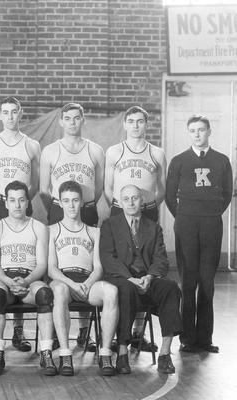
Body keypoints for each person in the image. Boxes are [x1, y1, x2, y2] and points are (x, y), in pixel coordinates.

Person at [39, 102, 105, 351]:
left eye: (77, 118)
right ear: (61, 121)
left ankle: (84, 333)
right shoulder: (50, 151)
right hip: (59, 208)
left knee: (85, 266)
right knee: (56, 267)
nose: (72, 123)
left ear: (83, 120)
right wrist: (59, 207)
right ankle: (57, 332)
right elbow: (44, 189)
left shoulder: (95, 150)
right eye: (67, 118)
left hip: (86, 208)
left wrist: (84, 204)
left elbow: (98, 189)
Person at [165, 115, 233, 354]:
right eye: (192, 130)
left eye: (201, 130)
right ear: (188, 133)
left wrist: (211, 214)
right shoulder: (179, 161)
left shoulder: (222, 160)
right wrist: (183, 217)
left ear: (209, 132)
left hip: (211, 224)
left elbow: (227, 193)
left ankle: (204, 339)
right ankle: (187, 338)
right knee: (188, 282)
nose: (197, 134)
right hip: (186, 224)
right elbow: (169, 195)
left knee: (207, 282)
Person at [100, 184, 182, 374]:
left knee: (171, 288)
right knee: (126, 290)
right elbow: (107, 258)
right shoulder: (109, 225)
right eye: (126, 198)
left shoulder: (153, 227)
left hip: (146, 279)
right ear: (120, 202)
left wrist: (150, 277)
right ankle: (122, 353)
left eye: (135, 198)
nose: (131, 202)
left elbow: (161, 259)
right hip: (121, 279)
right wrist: (130, 278)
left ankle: (164, 354)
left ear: (142, 201)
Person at [104, 105, 167, 352]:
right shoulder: (114, 151)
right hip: (121, 209)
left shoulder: (157, 153)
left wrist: (149, 205)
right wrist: (121, 207)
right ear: (125, 124)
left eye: (140, 121)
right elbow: (107, 188)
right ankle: (117, 333)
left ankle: (139, 334)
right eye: (131, 121)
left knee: (146, 268)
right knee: (121, 270)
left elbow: (161, 188)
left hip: (147, 210)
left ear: (146, 124)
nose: (135, 126)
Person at [0, 97, 41, 352]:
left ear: (20, 114)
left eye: (14, 112)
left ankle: (18, 330)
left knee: (22, 261)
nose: (10, 117)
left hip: (21, 203)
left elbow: (36, 183)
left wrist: (22, 201)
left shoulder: (32, 145)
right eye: (5, 112)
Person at [48, 181, 118, 376]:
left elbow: (98, 267)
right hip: (64, 280)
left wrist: (86, 284)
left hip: (88, 281)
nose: (71, 205)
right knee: (59, 291)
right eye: (66, 201)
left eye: (75, 200)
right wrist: (72, 284)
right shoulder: (52, 230)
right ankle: (65, 354)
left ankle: (105, 353)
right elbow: (52, 269)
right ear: (60, 203)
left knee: (111, 291)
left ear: (82, 202)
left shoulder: (94, 231)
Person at [0, 180, 54, 376]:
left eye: (21, 200)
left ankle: (46, 352)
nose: (17, 205)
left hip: (30, 280)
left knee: (45, 295)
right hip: (5, 280)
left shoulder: (39, 227)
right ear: (6, 203)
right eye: (12, 200)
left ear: (27, 203)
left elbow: (41, 265)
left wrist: (26, 281)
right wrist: (10, 282)